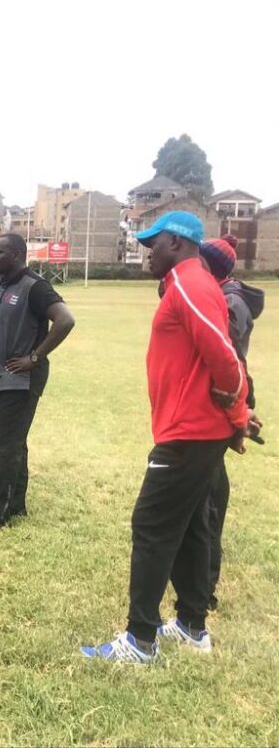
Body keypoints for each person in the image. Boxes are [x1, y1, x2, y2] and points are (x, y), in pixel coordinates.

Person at [81, 212, 258, 663]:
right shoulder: (190, 283)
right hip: (195, 429)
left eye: (152, 244)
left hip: (189, 432)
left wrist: (238, 415)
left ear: (176, 242)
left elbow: (225, 357)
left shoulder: (190, 284)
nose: (146, 253)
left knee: (152, 526)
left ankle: (140, 640)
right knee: (193, 526)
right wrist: (235, 418)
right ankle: (192, 627)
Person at [0, 233, 75, 530]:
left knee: (6, 447)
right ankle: (16, 505)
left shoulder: (35, 287)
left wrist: (35, 357)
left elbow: (65, 320)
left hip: (20, 380)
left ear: (18, 255)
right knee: (9, 443)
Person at [198, 237, 264, 610]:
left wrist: (239, 415)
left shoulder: (229, 303)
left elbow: (230, 359)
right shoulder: (222, 295)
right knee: (208, 488)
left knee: (209, 498)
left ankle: (204, 589)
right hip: (221, 405)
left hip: (222, 405)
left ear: (210, 265)